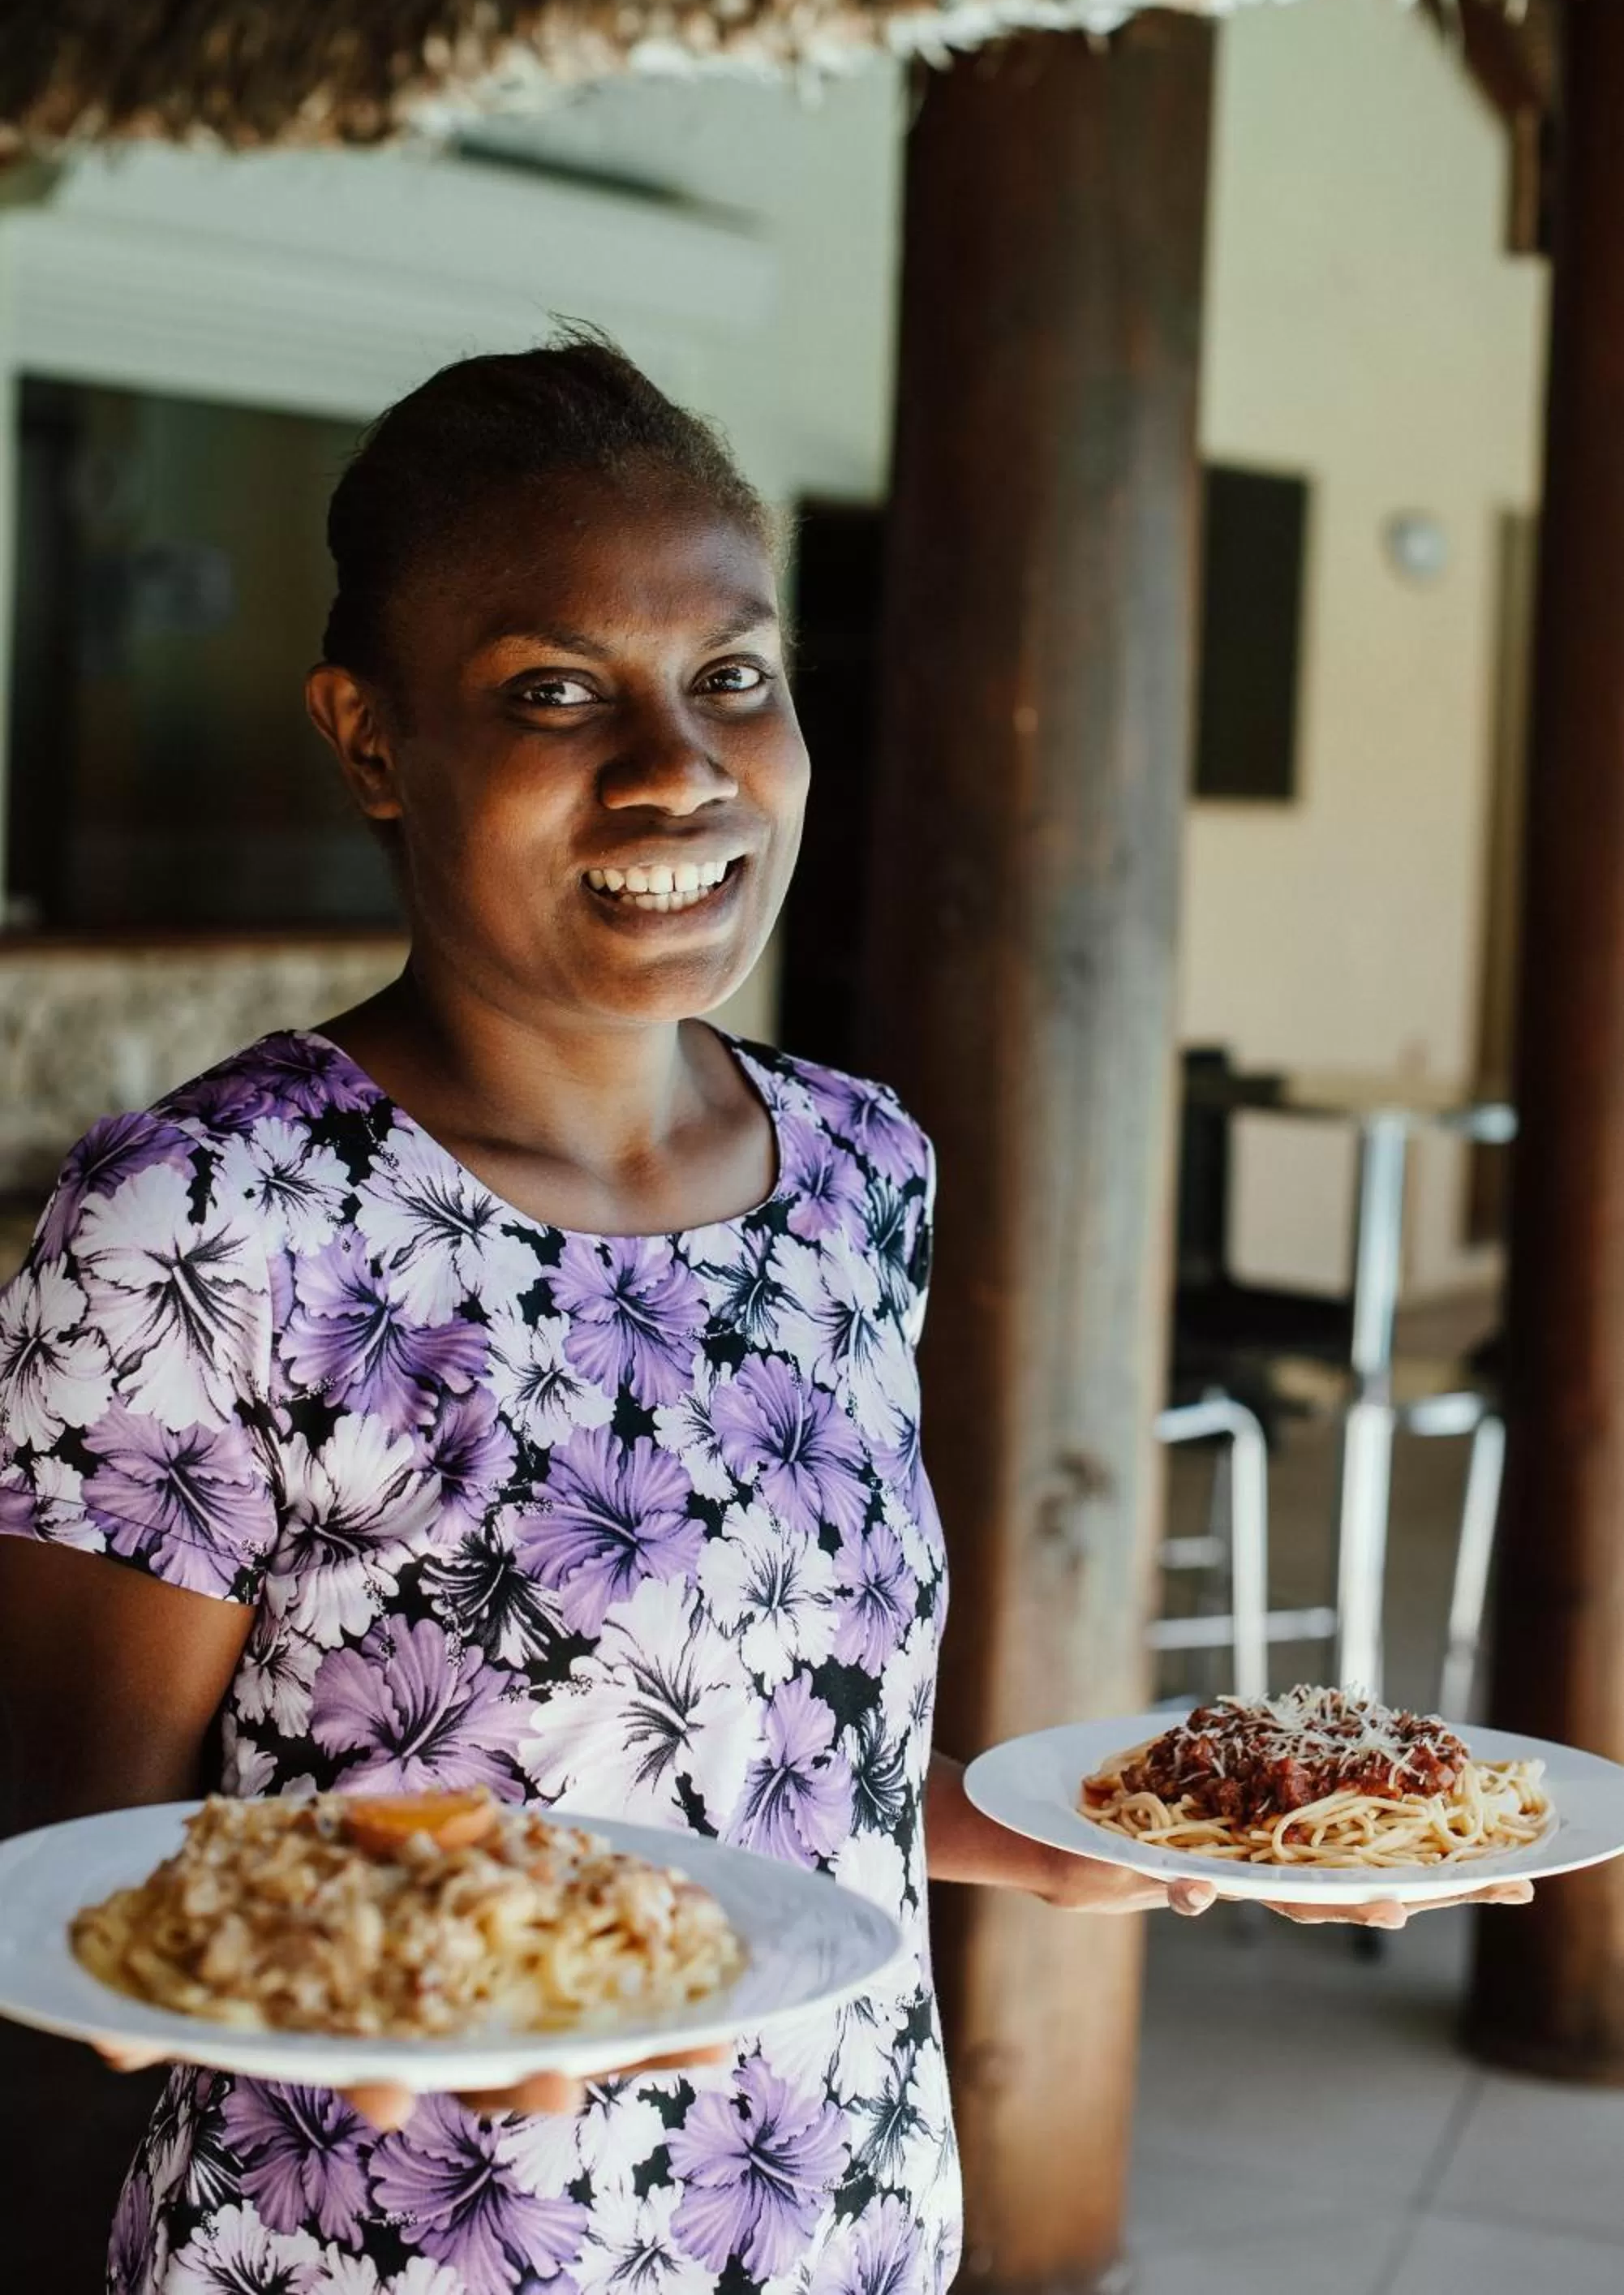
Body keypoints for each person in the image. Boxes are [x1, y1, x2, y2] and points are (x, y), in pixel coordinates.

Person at [0, 340, 1528, 2295]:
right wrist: (321, 1999)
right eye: (553, 691)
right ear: (370, 739)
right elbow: (68, 1867)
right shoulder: (207, 1221)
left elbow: (747, 1768)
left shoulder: (850, 1166)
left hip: (839, 2204)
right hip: (400, 2242)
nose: (679, 766)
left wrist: (1032, 1832)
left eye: (732, 675)